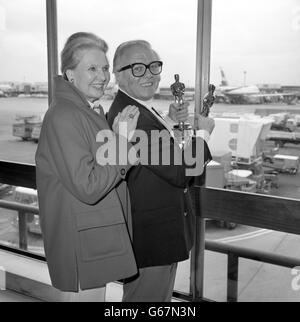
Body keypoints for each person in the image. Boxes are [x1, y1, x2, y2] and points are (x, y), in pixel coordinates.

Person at [35, 32, 140, 301]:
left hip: (92, 237)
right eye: (92, 68)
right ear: (70, 74)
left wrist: (115, 137)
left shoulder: (87, 110)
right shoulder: (64, 115)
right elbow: (88, 186)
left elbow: (97, 163)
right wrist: (124, 143)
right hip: (81, 246)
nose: (103, 76)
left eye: (104, 68)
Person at [107, 40, 215, 302]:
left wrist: (168, 121)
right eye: (138, 68)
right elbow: (181, 171)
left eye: (154, 66)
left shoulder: (135, 110)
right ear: (118, 75)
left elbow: (152, 152)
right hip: (153, 236)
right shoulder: (133, 116)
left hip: (154, 230)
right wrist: (204, 132)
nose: (150, 74)